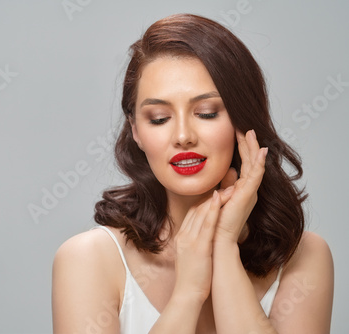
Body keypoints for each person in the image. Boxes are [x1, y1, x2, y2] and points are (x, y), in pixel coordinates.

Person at [52, 13, 333, 334]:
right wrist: (188, 294)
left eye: (206, 113)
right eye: (159, 118)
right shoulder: (88, 260)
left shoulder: (303, 257)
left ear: (243, 119)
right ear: (136, 130)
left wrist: (224, 248)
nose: (183, 135)